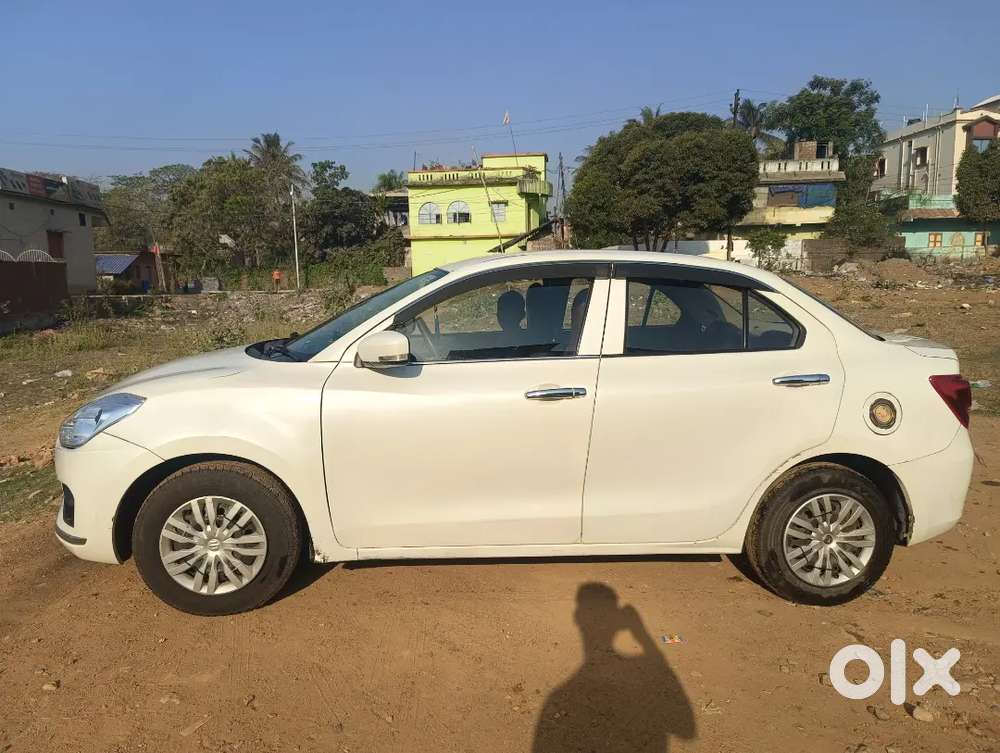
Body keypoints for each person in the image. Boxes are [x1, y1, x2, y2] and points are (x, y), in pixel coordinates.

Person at [533, 583, 695, 752]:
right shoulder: (559, 695)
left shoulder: (557, 696)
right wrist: (643, 636)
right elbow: (686, 731)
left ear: (577, 619)